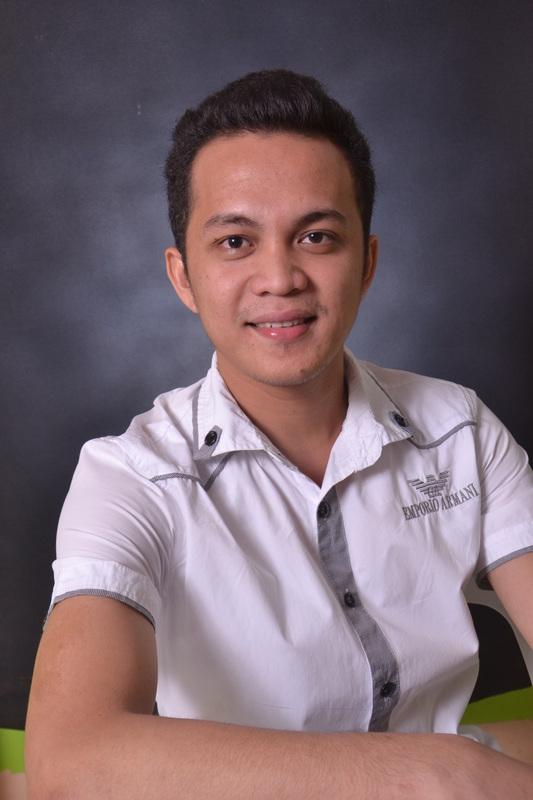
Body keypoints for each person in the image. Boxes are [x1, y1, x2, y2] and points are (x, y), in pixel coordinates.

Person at [25, 69, 533, 799]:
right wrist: (437, 771)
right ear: (182, 276)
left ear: (366, 262)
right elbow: (70, 758)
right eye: (235, 241)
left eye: (316, 236)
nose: (280, 277)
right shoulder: (129, 478)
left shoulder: (459, 428)